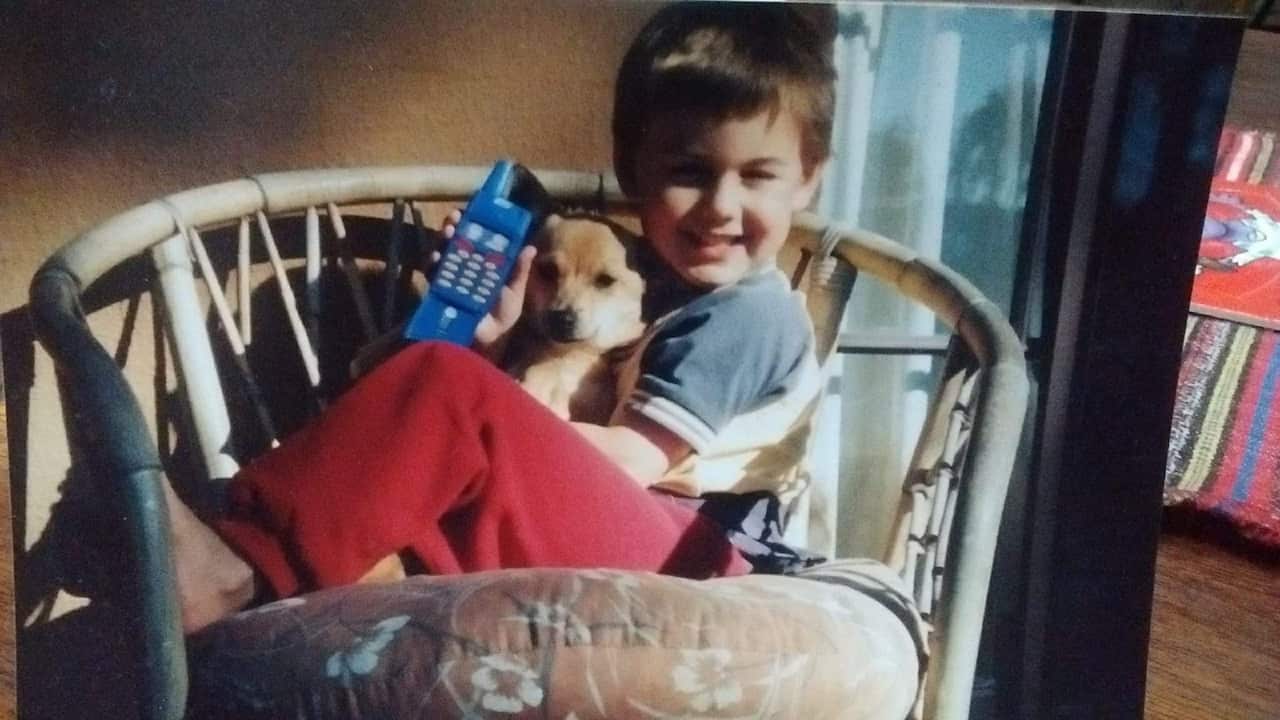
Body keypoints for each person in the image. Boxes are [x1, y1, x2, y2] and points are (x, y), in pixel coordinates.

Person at [168, 0, 836, 634]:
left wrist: (486, 403)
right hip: (630, 542)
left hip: (697, 564)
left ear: (807, 179)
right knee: (421, 445)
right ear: (633, 170)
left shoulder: (750, 315)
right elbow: (392, 390)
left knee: (448, 392)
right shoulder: (641, 282)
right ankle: (242, 560)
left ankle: (229, 567)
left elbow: (628, 460)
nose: (720, 206)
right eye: (691, 171)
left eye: (756, 176)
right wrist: (483, 340)